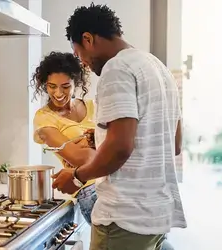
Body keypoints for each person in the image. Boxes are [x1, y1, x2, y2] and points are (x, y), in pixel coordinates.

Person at [52, 3, 186, 250]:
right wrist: (104, 137)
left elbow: (121, 148)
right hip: (155, 216)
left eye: (79, 55)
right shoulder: (158, 67)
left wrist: (77, 177)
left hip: (124, 219)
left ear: (88, 39)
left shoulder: (117, 68)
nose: (84, 65)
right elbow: (174, 144)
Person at [31, 51, 97, 224]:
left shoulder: (94, 106)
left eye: (65, 86)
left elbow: (125, 144)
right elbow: (79, 158)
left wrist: (89, 144)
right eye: (52, 86)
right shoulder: (44, 118)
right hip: (90, 190)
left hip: (118, 183)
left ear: (77, 83)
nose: (58, 93)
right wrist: (97, 141)